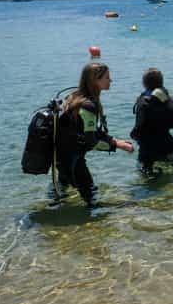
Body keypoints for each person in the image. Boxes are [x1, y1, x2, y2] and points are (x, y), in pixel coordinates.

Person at [56, 62, 134, 205]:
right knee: (92, 199)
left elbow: (90, 131)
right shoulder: (88, 105)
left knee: (60, 198)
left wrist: (114, 140)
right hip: (73, 160)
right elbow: (90, 141)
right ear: (95, 80)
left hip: (61, 157)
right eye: (107, 77)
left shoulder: (75, 97)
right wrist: (117, 146)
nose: (111, 80)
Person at [130, 68, 173, 175]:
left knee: (146, 178)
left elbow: (139, 127)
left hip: (148, 148)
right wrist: (164, 125)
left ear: (144, 84)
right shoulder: (171, 99)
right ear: (161, 82)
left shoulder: (143, 102)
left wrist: (133, 135)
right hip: (167, 144)